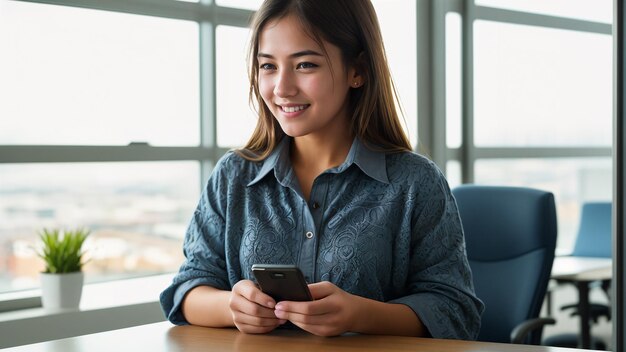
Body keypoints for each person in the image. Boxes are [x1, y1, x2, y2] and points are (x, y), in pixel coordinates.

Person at [160, 0, 484, 339]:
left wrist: (360, 315)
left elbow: (456, 311)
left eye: (304, 65)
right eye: (268, 66)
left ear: (357, 70)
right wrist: (232, 306)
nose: (282, 88)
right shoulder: (233, 176)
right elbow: (187, 290)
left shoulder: (415, 182)